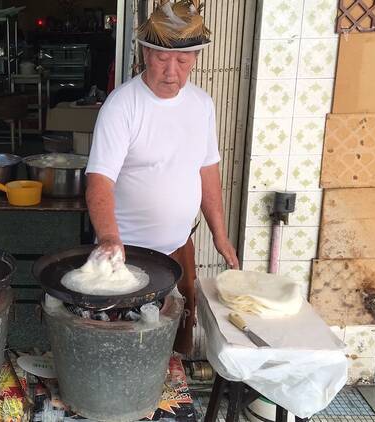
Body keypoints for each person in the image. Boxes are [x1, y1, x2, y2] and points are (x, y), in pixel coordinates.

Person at [85, 0, 239, 355]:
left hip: (178, 248)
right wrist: (109, 238)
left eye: (182, 61)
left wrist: (220, 233)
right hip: (126, 253)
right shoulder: (122, 106)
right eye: (161, 58)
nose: (172, 71)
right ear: (145, 52)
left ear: (195, 60)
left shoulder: (202, 105)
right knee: (125, 342)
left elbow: (208, 168)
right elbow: (99, 181)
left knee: (172, 335)